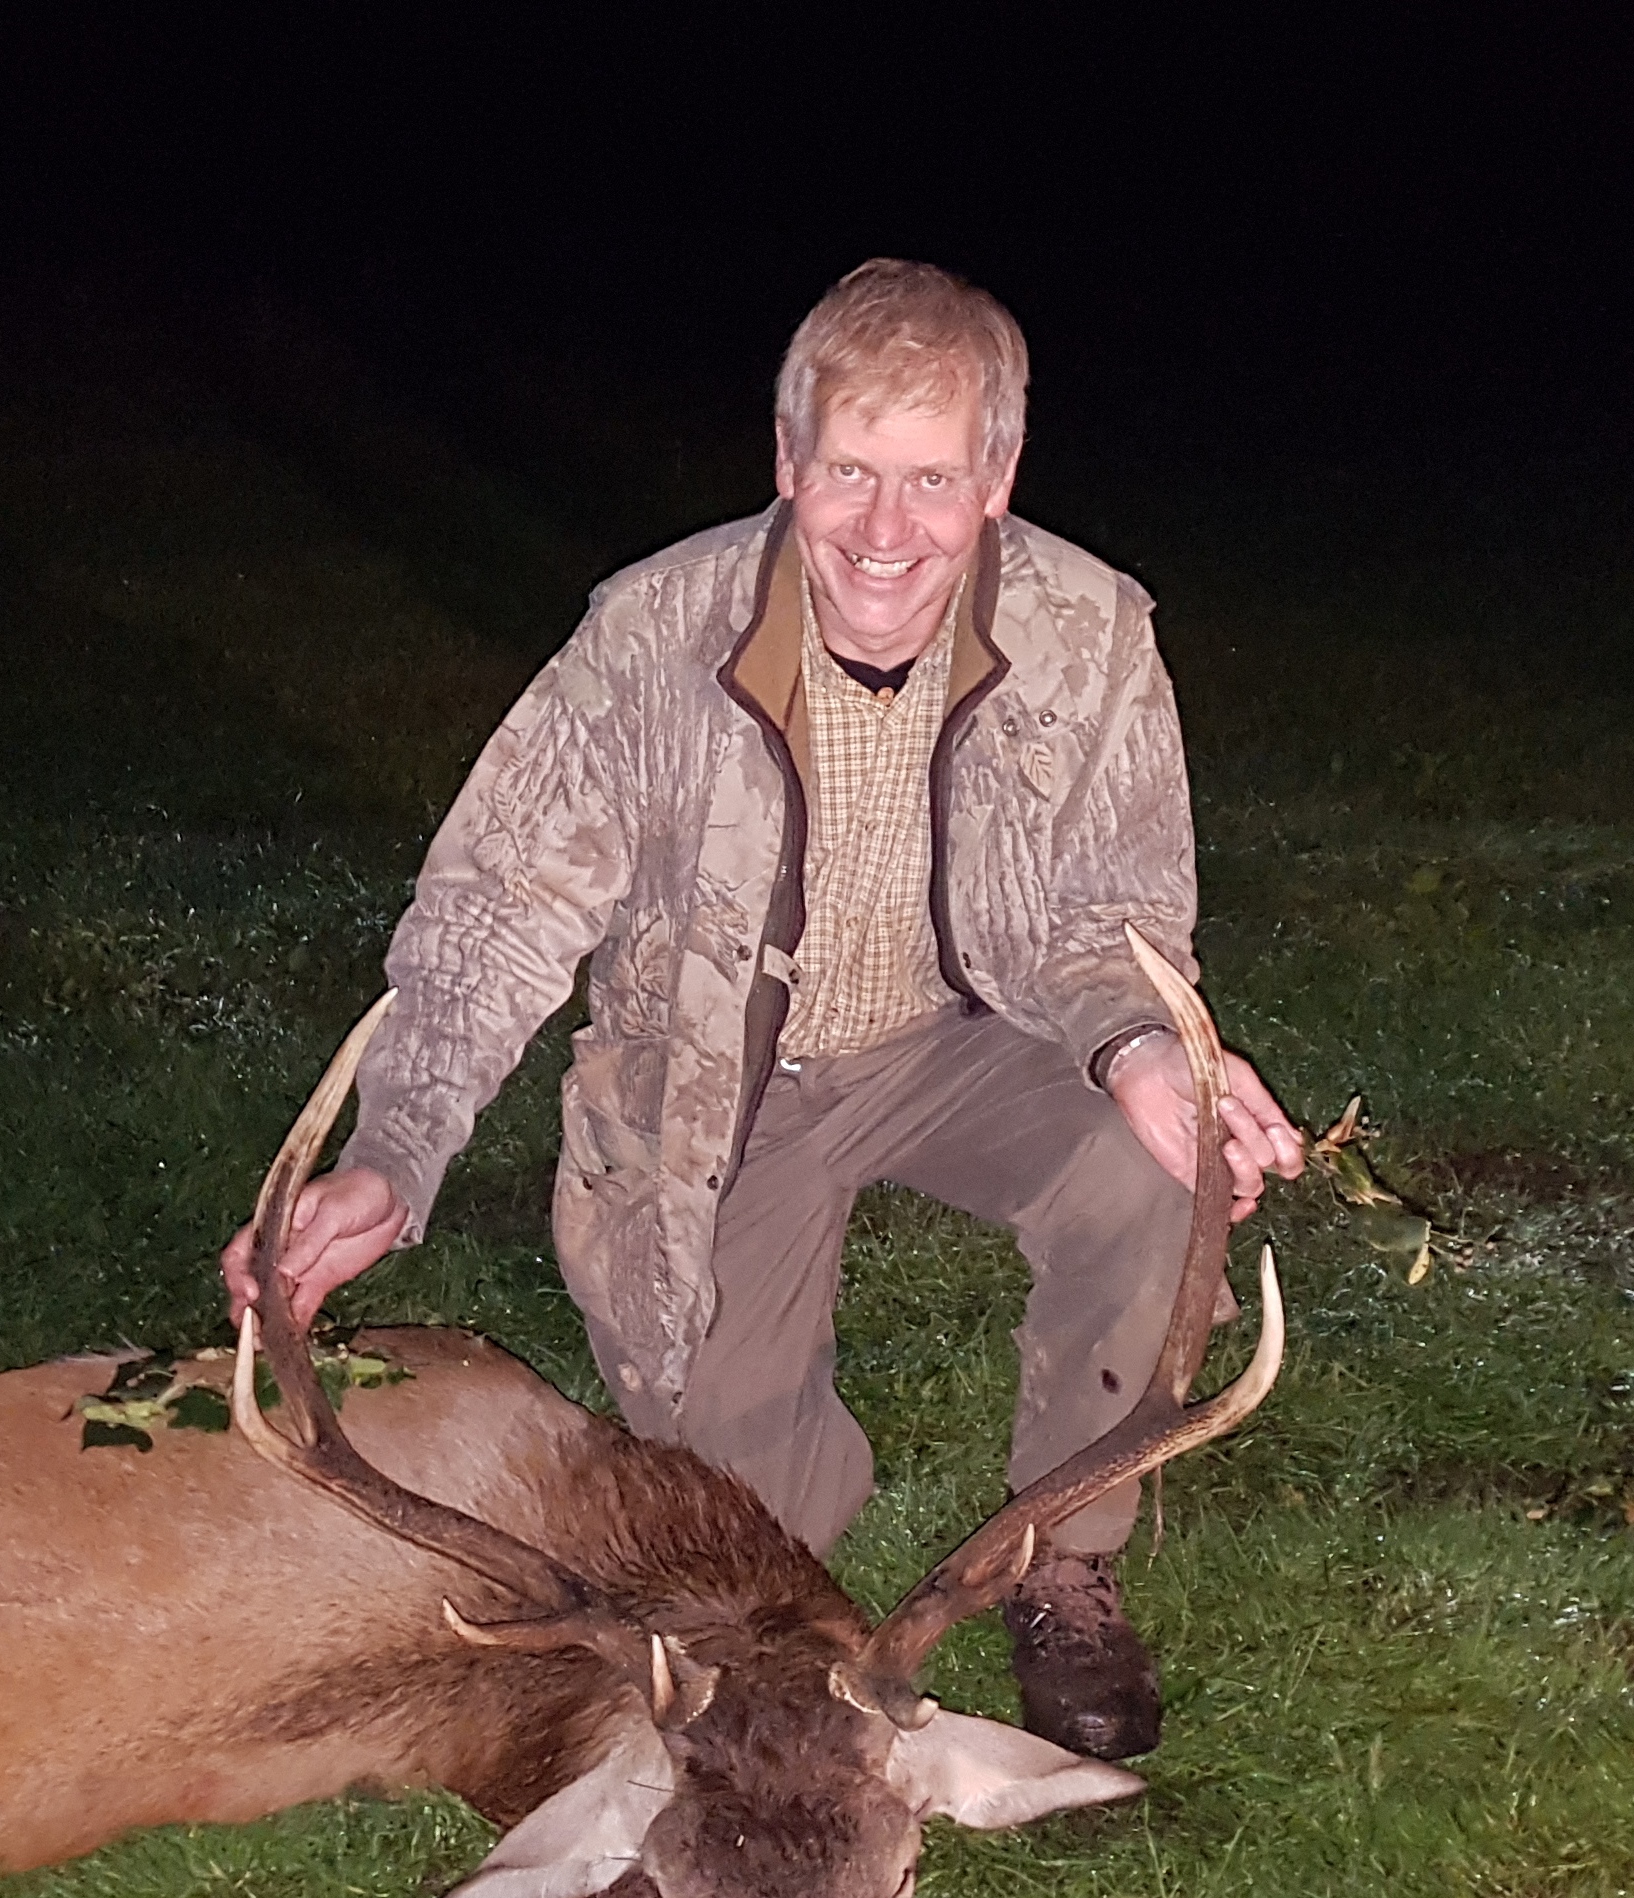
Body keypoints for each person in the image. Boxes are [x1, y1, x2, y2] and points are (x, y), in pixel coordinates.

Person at [222, 259, 1302, 1762]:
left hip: (970, 1035)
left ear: (996, 479)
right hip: (720, 1091)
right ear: (786, 459)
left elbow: (1105, 910)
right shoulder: (652, 633)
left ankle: (1066, 1555)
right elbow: (496, 910)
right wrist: (396, 1152)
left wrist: (1134, 1050)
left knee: (1144, 1171)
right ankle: (797, 1568)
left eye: (930, 480)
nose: (882, 529)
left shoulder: (1088, 629)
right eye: (848, 472)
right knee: (738, 1524)